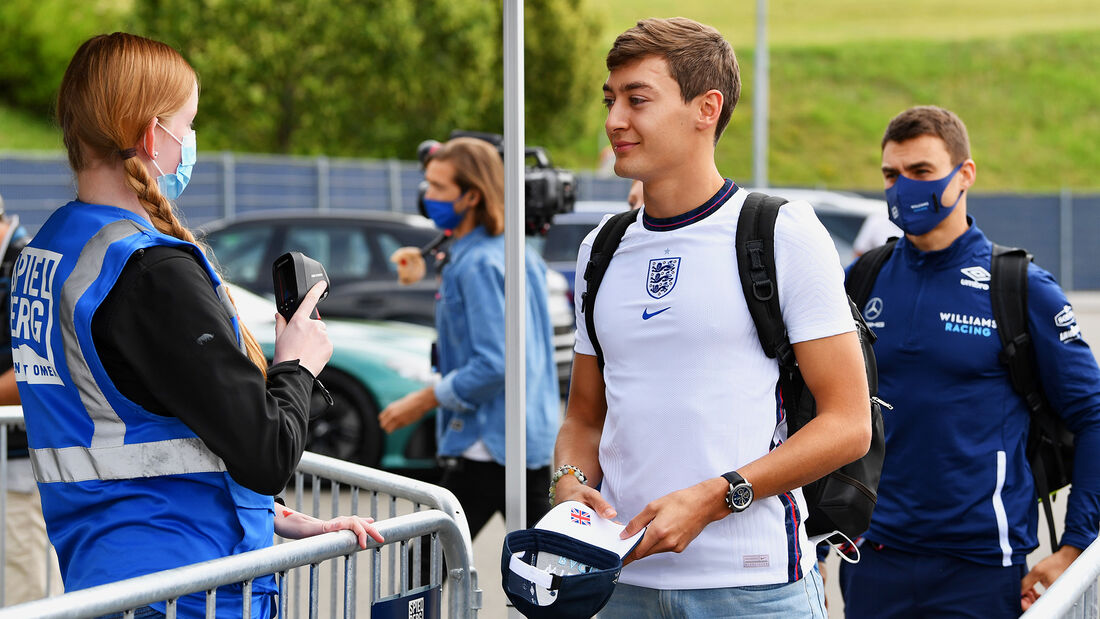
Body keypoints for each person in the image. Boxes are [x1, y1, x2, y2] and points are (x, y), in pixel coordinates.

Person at [13, 33, 382, 619]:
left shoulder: (50, 249)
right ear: (149, 134)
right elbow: (265, 452)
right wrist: (297, 364)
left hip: (111, 577)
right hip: (194, 589)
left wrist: (278, 517)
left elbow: (139, 422)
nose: (189, 143)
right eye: (187, 125)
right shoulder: (149, 271)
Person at [552, 17, 871, 617]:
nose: (615, 120)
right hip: (618, 585)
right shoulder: (601, 246)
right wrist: (567, 481)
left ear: (707, 108)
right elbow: (583, 419)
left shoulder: (782, 231)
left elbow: (849, 423)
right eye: (610, 100)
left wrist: (715, 498)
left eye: (637, 100)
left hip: (754, 590)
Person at [838, 105, 1100, 617]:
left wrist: (1074, 545)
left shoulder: (1020, 288)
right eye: (891, 174)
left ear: (965, 175)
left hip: (981, 568)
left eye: (921, 172)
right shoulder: (863, 279)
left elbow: (1092, 415)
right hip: (872, 559)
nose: (903, 188)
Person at [380, 137, 560, 544]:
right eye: (428, 184)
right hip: (522, 435)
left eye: (440, 188)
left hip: (488, 443)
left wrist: (423, 400)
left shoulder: (478, 263)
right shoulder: (510, 249)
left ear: (471, 196)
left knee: (421, 576)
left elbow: (495, 363)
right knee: (545, 576)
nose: (429, 196)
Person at [0, 192, 64, 605]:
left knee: (25, 586)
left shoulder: (24, 267)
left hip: (22, 460)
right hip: (14, 456)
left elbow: (35, 367)